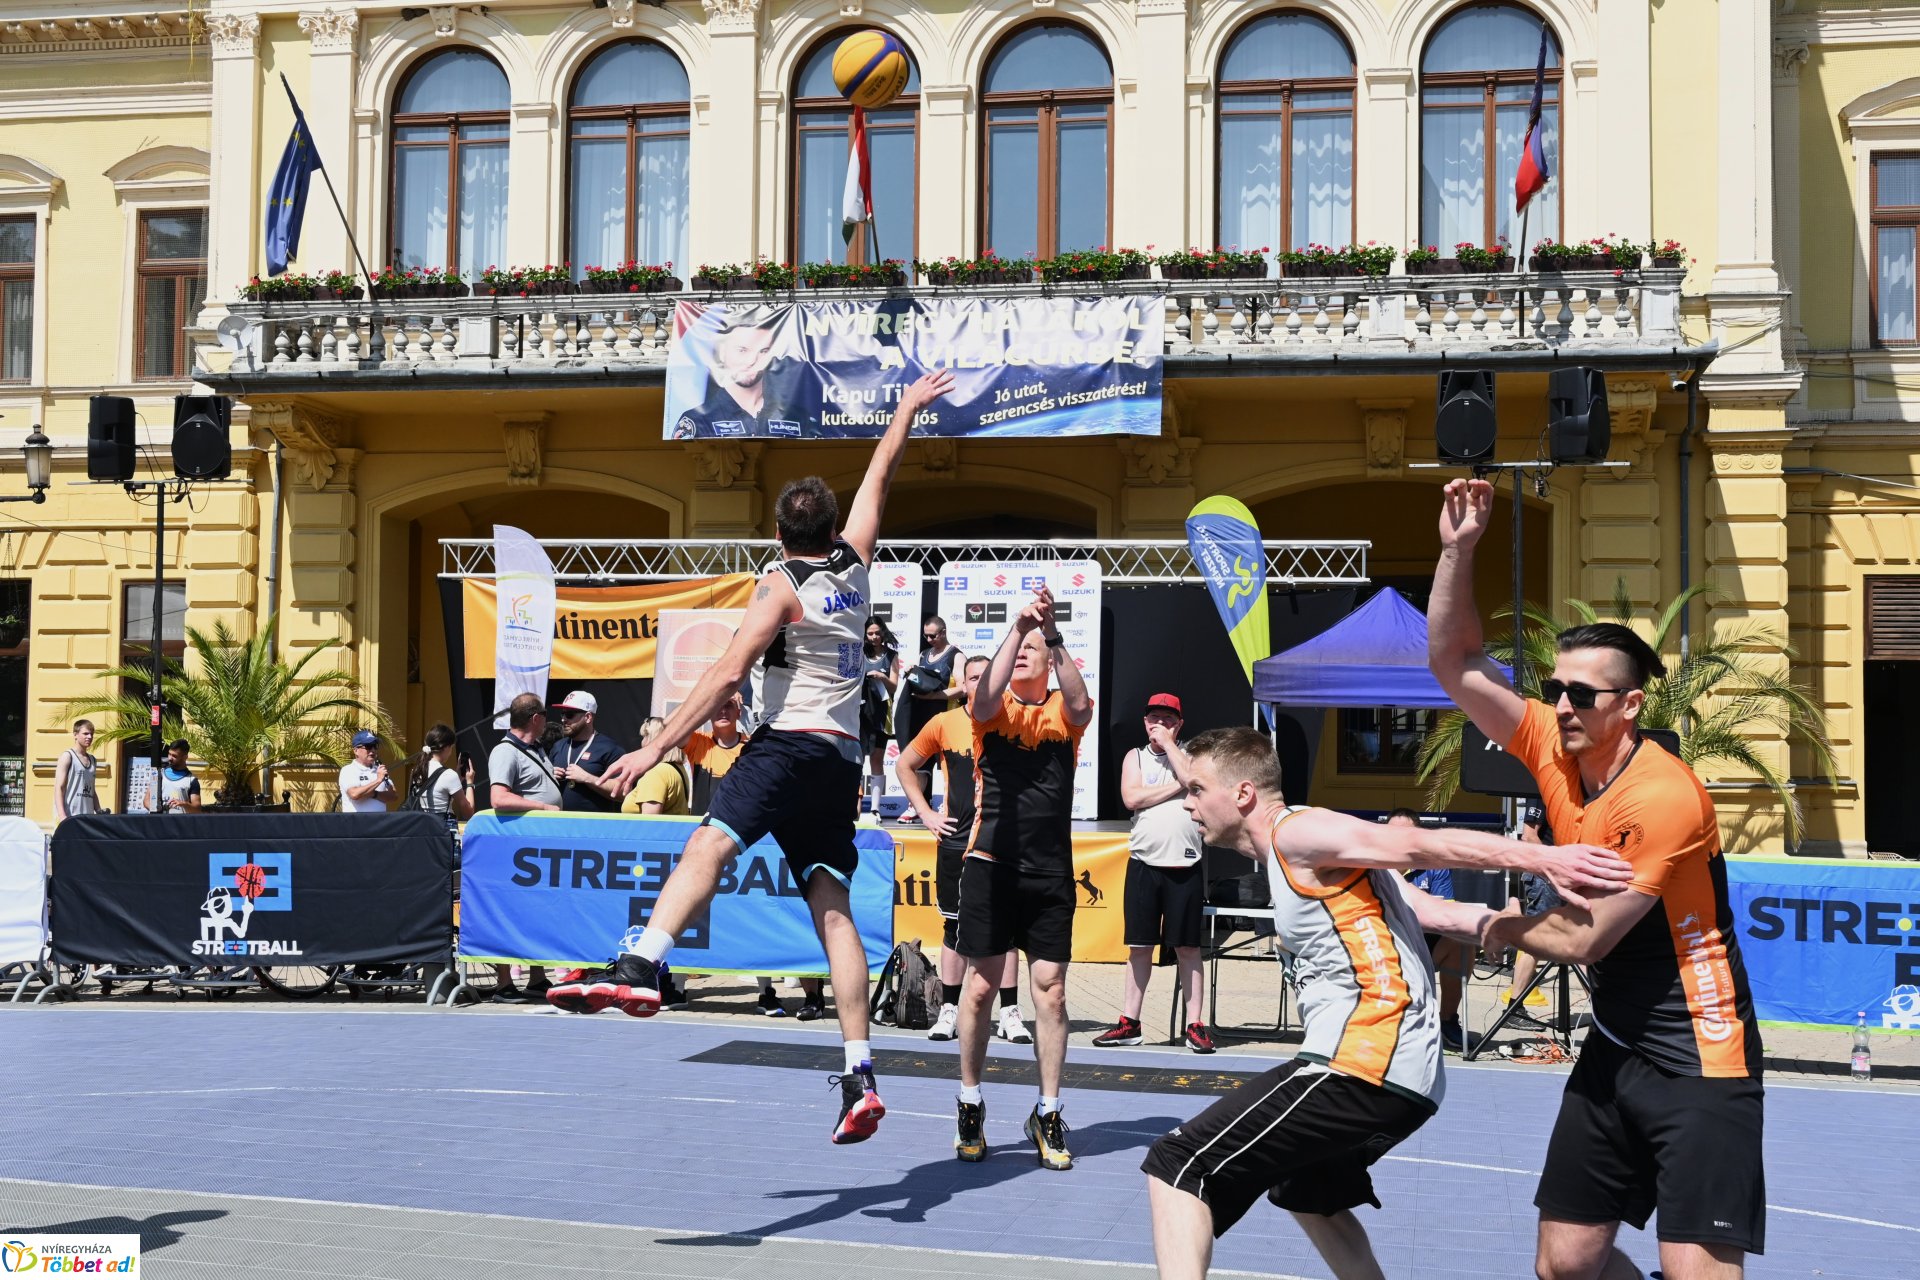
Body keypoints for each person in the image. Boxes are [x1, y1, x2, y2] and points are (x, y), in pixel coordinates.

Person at [566, 367, 957, 1148]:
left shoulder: (781, 584)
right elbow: (881, 473)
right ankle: (860, 1073)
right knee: (832, 907)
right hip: (840, 759)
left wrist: (654, 746)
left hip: (787, 744)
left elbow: (726, 673)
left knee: (709, 843)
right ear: (831, 527)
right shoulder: (856, 562)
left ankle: (644, 963)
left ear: (779, 535)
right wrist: (908, 407)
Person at [1141, 727, 1634, 1280]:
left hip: (1362, 1064)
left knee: (1178, 1162)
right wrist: (1525, 928)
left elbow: (1418, 846)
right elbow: (1439, 913)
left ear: (1243, 794)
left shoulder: (1299, 831)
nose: (1187, 803)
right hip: (1410, 1083)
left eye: (1197, 789)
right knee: (1306, 1192)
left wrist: (1543, 859)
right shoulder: (1327, 863)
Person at [1428, 476, 1767, 1280]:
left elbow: (1585, 938)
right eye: (1554, 689)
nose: (1561, 705)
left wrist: (1472, 923)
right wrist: (1457, 550)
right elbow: (1455, 662)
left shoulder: (1663, 796)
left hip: (1699, 1053)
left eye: (1582, 694)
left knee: (1697, 1271)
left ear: (1632, 705)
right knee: (1565, 1263)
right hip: (1616, 1041)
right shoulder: (1552, 742)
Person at [952, 585, 1093, 1171]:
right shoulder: (992, 711)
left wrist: (1051, 632)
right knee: (981, 989)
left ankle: (1048, 1111)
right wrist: (1017, 627)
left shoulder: (1064, 711)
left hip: (1050, 872)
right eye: (1021, 648)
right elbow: (983, 697)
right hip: (990, 865)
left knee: (1051, 992)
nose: (1027, 652)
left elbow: (1082, 705)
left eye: (1036, 648)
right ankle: (970, 1101)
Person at [894, 653, 1030, 1046]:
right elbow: (905, 765)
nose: (980, 683)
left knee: (1006, 930)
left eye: (987, 676)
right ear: (962, 685)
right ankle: (949, 1010)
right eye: (973, 678)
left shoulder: (1016, 719)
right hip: (956, 841)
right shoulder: (944, 722)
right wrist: (925, 813)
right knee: (953, 926)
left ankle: (1009, 1013)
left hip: (1003, 842)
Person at [1097, 692, 1211, 1054]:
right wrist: (1179, 786)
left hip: (1185, 865)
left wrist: (1173, 751)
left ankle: (1196, 1024)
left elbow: (1196, 779)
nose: (1158, 725)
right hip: (1144, 863)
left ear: (1179, 724)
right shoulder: (1135, 757)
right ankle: (1130, 1022)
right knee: (1140, 946)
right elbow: (1132, 798)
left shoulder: (1193, 755)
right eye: (1153, 719)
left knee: (1188, 948)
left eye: (1166, 720)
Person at [487, 692, 562, 1004]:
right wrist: (543, 807)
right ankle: (504, 983)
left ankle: (537, 977)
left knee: (536, 913)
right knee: (510, 912)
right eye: (544, 714)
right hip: (518, 849)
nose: (547, 720)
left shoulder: (535, 749)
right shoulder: (505, 752)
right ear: (535, 718)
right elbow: (499, 798)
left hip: (537, 850)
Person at [1385, 807, 1469, 1053]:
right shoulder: (1369, 864)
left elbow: (1444, 912)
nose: (1397, 839)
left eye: (1405, 834)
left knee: (1461, 941)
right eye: (1391, 833)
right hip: (1379, 946)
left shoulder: (1434, 865)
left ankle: (1447, 1021)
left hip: (1421, 946)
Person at [669, 313, 823, 440]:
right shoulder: (697, 420)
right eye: (742, 350)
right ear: (722, 352)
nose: (751, 361)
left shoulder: (798, 418)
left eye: (763, 351)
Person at [895, 614, 965, 818]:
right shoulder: (924, 654)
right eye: (926, 636)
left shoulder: (956, 656)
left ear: (943, 632)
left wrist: (936, 695)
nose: (929, 640)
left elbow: (963, 688)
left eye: (933, 636)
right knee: (921, 763)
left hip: (947, 716)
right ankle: (916, 806)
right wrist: (912, 672)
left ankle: (948, 803)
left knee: (948, 763)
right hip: (923, 718)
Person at [1504, 801, 1558, 1024]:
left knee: (1583, 940)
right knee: (1534, 943)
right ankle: (1514, 1008)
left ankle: (1598, 1011)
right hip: (1546, 878)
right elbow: (1528, 836)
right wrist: (1555, 868)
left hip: (1566, 878)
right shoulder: (1542, 794)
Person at [550, 691, 625, 813]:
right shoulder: (558, 746)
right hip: (559, 821)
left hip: (593, 823)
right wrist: (549, 777)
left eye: (569, 714)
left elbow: (622, 792)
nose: (563, 719)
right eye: (562, 714)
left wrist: (587, 778)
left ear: (588, 717)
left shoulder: (609, 748)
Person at [860, 616, 901, 800]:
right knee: (858, 757)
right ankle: (855, 804)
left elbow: (893, 687)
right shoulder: (860, 653)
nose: (874, 637)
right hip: (861, 712)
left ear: (883, 632)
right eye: (870, 634)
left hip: (882, 713)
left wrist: (881, 677)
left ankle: (876, 807)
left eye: (877, 633)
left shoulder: (891, 655)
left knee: (877, 758)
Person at [618, 717, 689, 816]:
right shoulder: (676, 769)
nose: (642, 742)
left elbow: (649, 822)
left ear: (653, 740)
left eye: (645, 736)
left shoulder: (656, 773)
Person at [415, 722, 475, 825]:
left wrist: (458, 780)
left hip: (421, 828)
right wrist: (470, 783)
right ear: (446, 747)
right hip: (442, 831)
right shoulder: (449, 775)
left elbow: (439, 796)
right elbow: (468, 813)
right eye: (451, 747)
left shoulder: (417, 770)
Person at [52, 720, 100, 822]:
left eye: (91, 734)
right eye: (85, 734)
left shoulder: (93, 760)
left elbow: (92, 790)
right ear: (75, 735)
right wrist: (62, 816)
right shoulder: (67, 756)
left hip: (88, 817)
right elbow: (59, 788)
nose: (89, 737)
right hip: (70, 816)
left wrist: (99, 811)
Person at [339, 729, 395, 812]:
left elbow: (393, 796)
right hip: (358, 820)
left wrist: (374, 794)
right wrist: (378, 780)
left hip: (380, 820)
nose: (373, 750)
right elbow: (354, 794)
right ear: (356, 751)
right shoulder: (348, 770)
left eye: (375, 746)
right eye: (368, 746)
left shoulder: (379, 770)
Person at [148, 738, 202, 815]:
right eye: (169, 754)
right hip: (160, 821)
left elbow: (197, 810)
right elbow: (146, 800)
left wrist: (183, 804)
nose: (170, 758)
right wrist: (156, 810)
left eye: (174, 756)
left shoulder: (192, 780)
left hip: (180, 822)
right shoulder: (159, 774)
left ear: (185, 757)